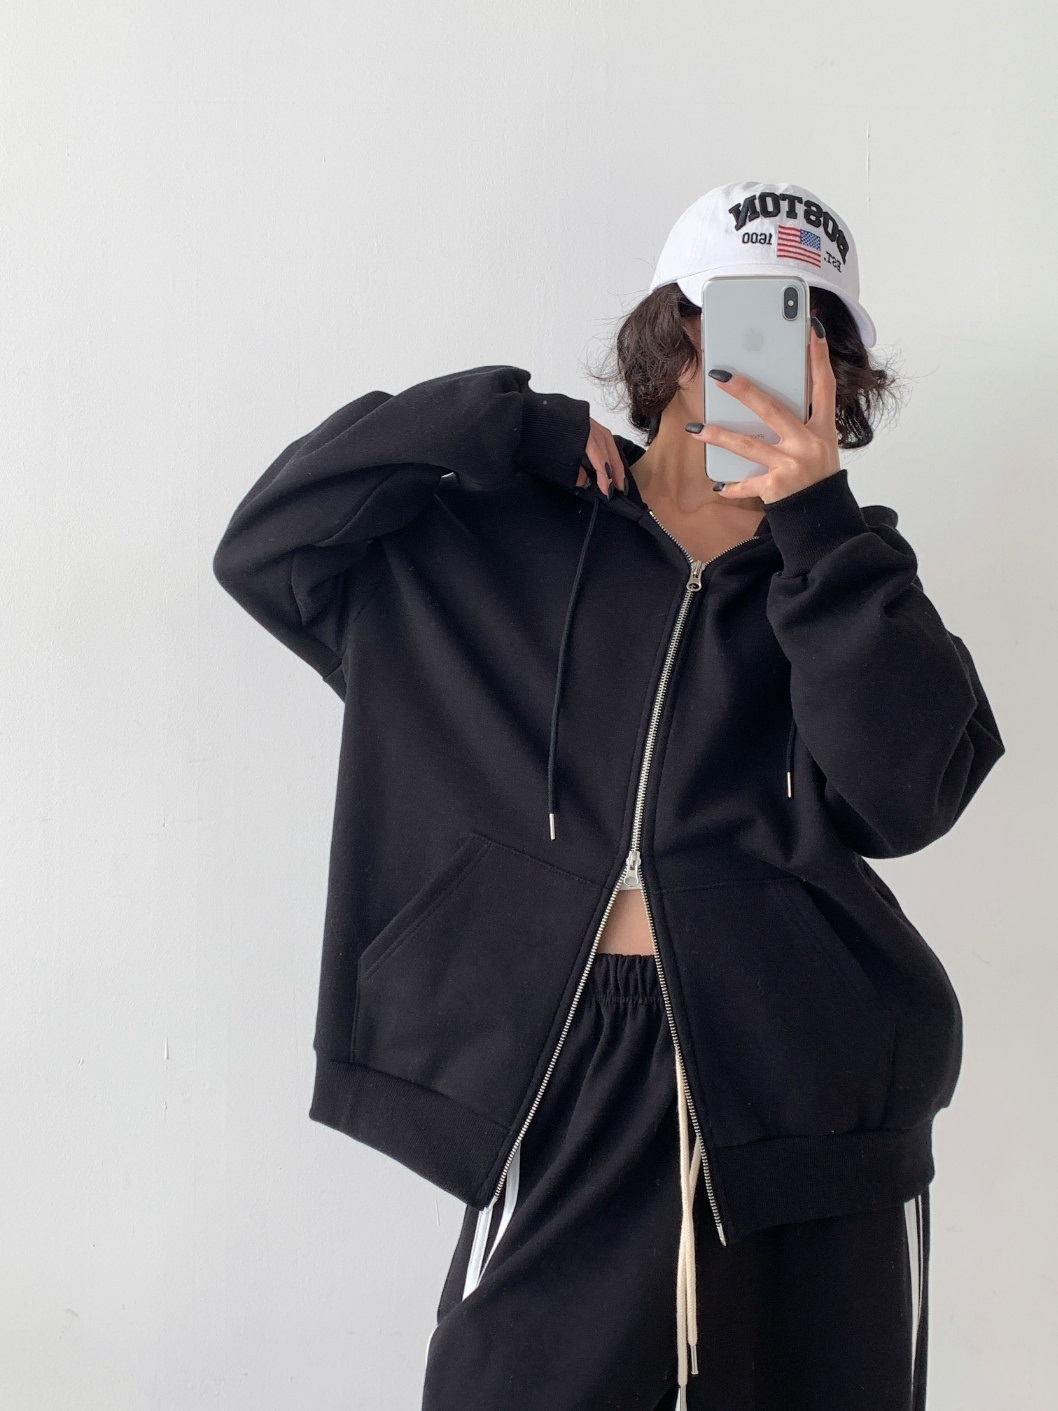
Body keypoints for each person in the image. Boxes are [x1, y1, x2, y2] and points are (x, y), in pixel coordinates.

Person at [212, 180, 1005, 1410]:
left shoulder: (847, 571)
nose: (774, 352)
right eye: (736, 312)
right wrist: (499, 425)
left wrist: (816, 523)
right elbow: (270, 544)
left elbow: (905, 797)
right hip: (564, 1053)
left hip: (803, 1080)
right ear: (669, 330)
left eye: (812, 331)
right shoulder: (500, 533)